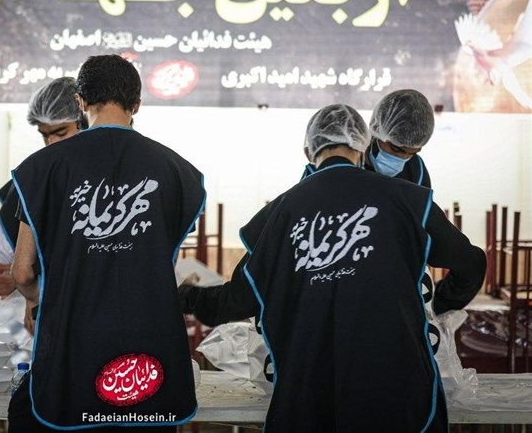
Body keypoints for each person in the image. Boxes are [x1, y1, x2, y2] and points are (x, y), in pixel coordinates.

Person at [179, 104, 486, 433]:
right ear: (363, 146)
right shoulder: (409, 201)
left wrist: (184, 296)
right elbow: (472, 263)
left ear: (308, 151)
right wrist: (442, 305)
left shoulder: (280, 214)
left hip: (310, 396)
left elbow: (235, 301)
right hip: (399, 391)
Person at [8, 54, 206, 432]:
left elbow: (21, 271)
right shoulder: (179, 172)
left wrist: (40, 298)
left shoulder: (42, 169)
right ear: (137, 104)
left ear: (80, 101)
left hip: (72, 346)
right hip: (149, 349)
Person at [0, 77, 84, 298]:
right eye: (45, 135)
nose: (52, 143)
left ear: (86, 122)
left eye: (61, 132)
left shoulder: (114, 180)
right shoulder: (29, 183)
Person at [302, 89, 435, 187]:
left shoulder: (415, 170)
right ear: (377, 131)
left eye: (411, 153)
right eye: (395, 149)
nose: (401, 159)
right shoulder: (334, 165)